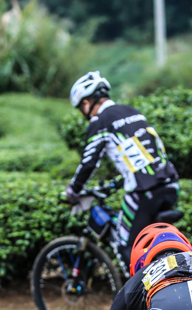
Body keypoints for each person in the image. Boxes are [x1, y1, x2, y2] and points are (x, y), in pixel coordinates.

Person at [66, 71, 180, 269]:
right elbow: (147, 156)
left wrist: (73, 190)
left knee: (125, 246)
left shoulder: (100, 121)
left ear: (86, 103)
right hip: (171, 185)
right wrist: (118, 182)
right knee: (147, 245)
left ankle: (143, 297)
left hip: (145, 192)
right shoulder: (131, 111)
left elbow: (89, 162)